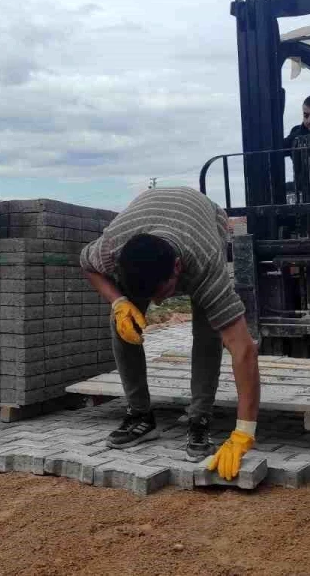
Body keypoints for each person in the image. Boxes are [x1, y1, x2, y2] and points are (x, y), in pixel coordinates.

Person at [79, 187, 261, 480]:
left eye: (163, 293)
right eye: (152, 298)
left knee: (208, 330)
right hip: (147, 217)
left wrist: (244, 432)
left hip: (204, 219)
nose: (158, 304)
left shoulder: (205, 263)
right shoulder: (110, 248)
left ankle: (200, 416)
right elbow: (86, 264)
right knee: (122, 321)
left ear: (177, 268)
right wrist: (119, 301)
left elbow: (243, 349)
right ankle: (139, 415)